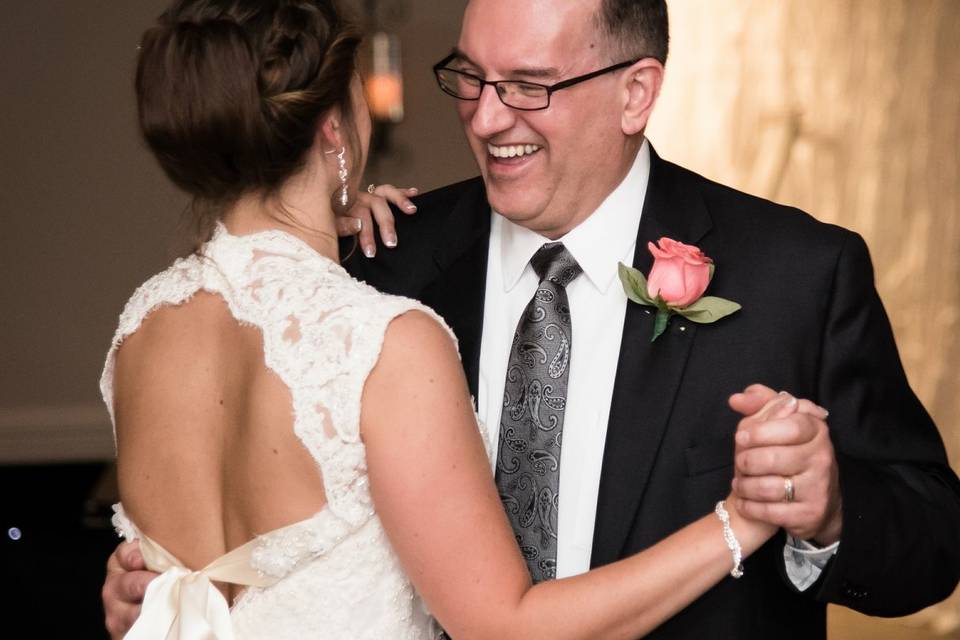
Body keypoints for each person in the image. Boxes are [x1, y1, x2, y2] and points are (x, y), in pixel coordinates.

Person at [103, 0, 960, 638]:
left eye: (528, 86)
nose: (484, 116)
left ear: (636, 93)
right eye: (470, 77)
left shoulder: (796, 274)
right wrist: (181, 590)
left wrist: (830, 511)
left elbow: (932, 539)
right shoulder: (375, 269)